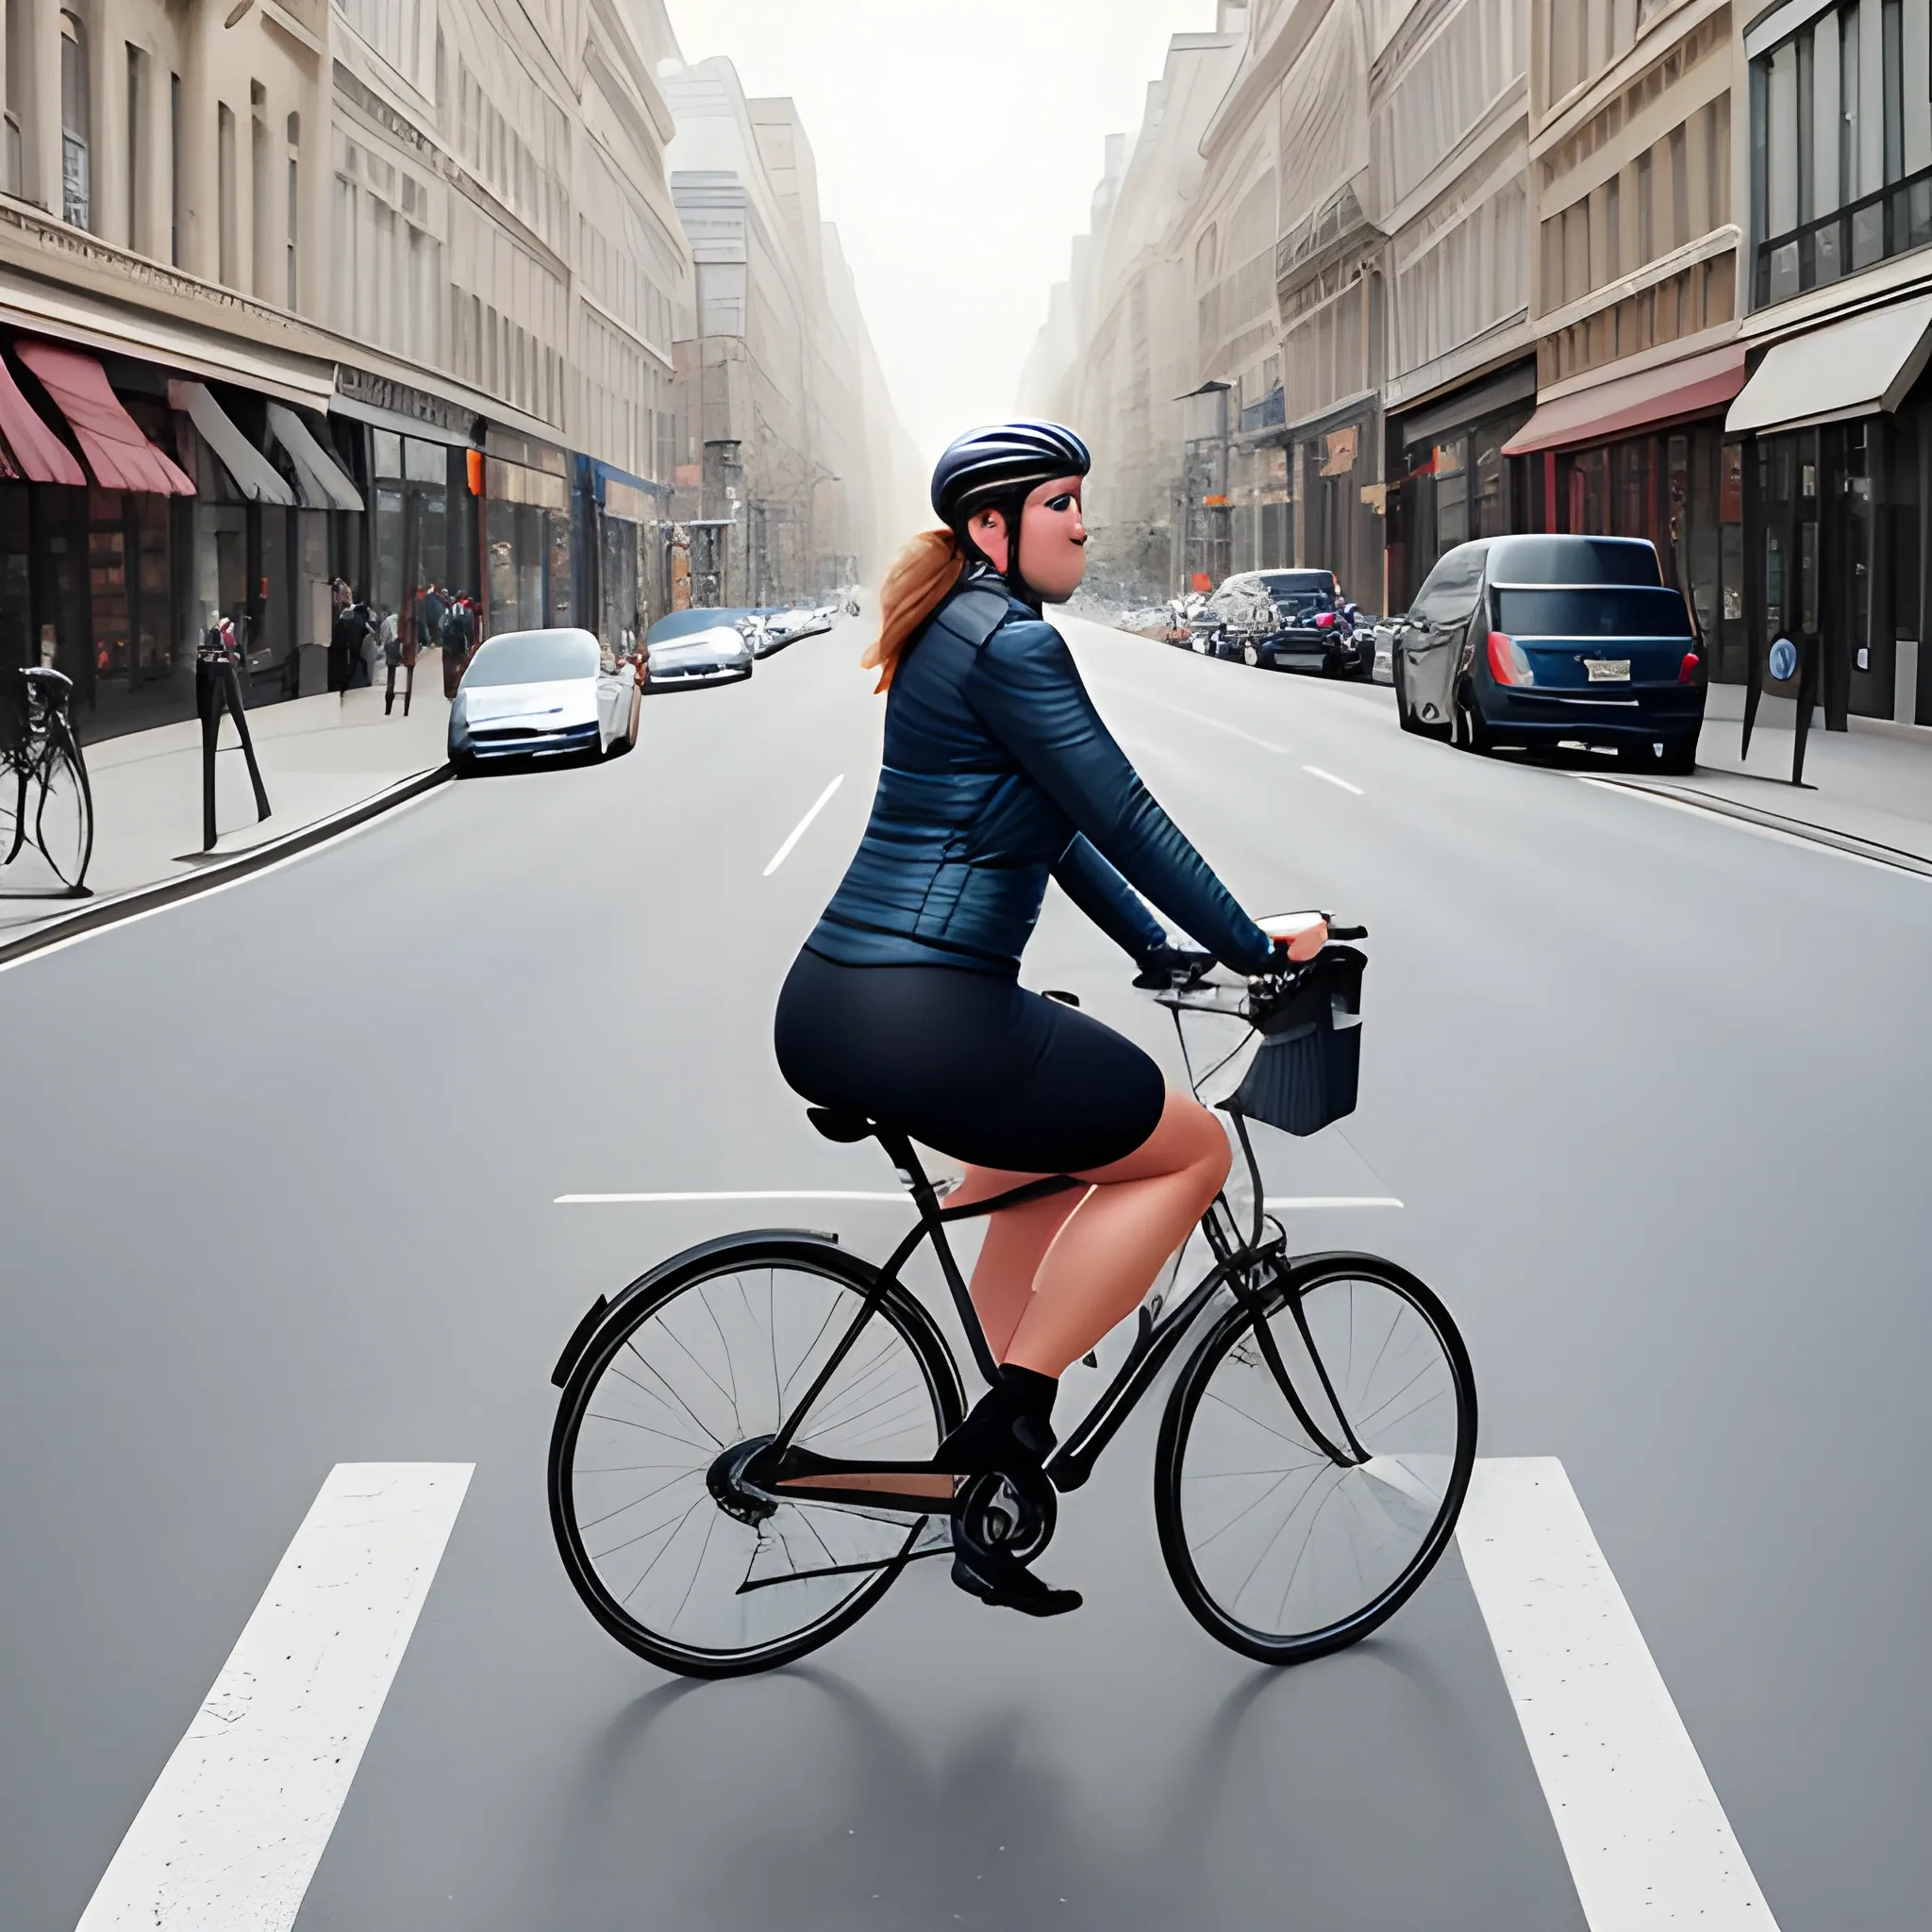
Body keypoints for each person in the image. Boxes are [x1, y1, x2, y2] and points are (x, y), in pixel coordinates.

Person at [774, 422, 1325, 1618]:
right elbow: (1120, 807)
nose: (1083, 521)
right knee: (1190, 1146)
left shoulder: (947, 631)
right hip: (925, 1007)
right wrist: (1244, 945)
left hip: (839, 995)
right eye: (1060, 503)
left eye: (1083, 501)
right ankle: (1015, 1414)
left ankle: (965, 1462)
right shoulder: (1013, 643)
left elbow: (1056, 829)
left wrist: (1155, 948)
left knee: (1051, 1158)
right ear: (992, 527)